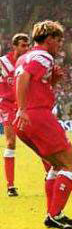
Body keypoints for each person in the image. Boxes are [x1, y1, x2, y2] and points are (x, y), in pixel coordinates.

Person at [14, 20, 72, 229]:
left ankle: (53, 214)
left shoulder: (24, 57)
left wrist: (53, 82)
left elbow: (32, 83)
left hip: (23, 122)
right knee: (69, 165)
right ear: (49, 39)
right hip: (37, 116)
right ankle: (54, 214)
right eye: (58, 40)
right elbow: (24, 78)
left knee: (55, 165)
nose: (60, 45)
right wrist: (24, 109)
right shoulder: (43, 56)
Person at [0, 33, 30, 196]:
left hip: (24, 105)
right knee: (11, 142)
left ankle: (50, 175)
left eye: (27, 46)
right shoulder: (3, 62)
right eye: (22, 46)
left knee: (39, 140)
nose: (26, 49)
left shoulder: (29, 62)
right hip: (7, 105)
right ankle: (10, 186)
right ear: (14, 46)